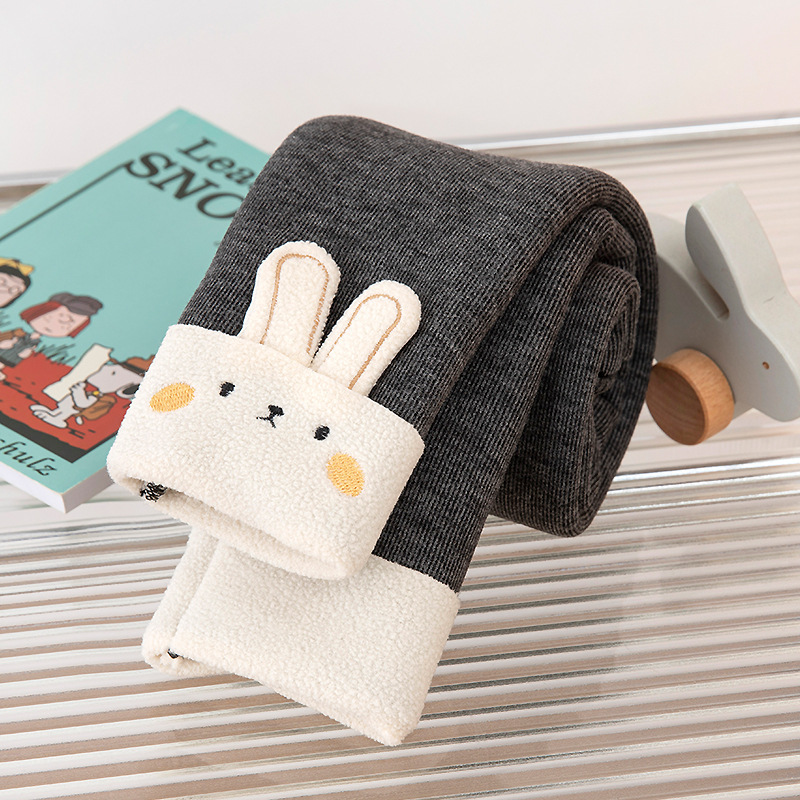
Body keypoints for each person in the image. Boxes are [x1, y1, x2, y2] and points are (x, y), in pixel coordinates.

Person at [0, 292, 102, 381]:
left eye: (66, 326)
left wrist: (26, 351)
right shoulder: (19, 332)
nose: (54, 325)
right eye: (48, 318)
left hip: (14, 354)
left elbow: (30, 348)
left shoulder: (35, 341)